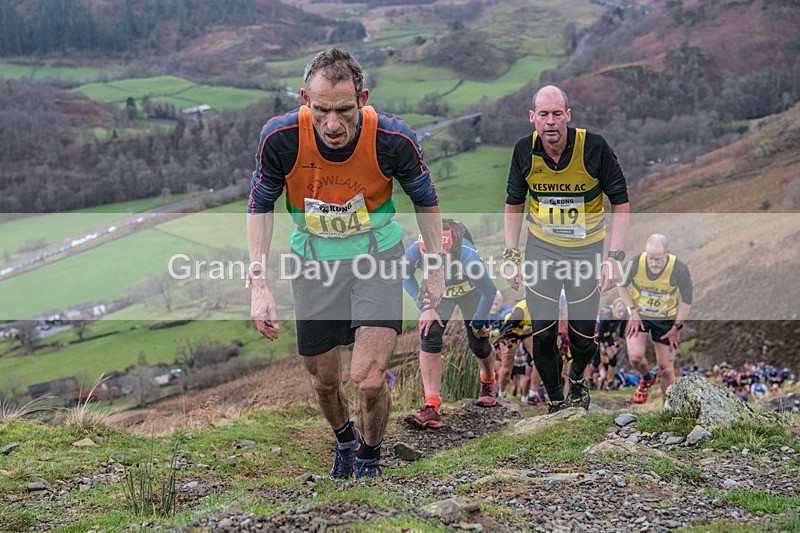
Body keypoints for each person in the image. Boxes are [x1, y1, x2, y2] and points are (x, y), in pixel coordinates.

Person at [247, 48, 445, 479]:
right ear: (305, 100)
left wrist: (434, 264)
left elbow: (426, 200)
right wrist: (258, 285)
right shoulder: (280, 138)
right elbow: (260, 204)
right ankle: (344, 438)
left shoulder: (394, 139)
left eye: (343, 110)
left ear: (363, 98)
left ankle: (370, 457)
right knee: (324, 382)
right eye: (320, 110)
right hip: (313, 264)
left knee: (369, 379)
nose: (332, 124)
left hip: (376, 260)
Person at [503, 85, 630, 413]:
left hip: (585, 253)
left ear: (568, 116)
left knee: (583, 338)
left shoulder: (594, 148)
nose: (550, 122)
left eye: (557, 114)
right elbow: (514, 204)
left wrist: (614, 258)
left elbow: (620, 201)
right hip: (541, 252)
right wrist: (511, 255)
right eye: (543, 114)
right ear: (532, 118)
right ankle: (557, 400)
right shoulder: (523, 151)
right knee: (542, 335)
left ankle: (576, 377)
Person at [402, 219, 498, 429]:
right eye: (427, 253)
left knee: (478, 343)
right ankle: (431, 406)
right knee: (429, 332)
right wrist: (425, 310)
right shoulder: (415, 251)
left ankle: (488, 381)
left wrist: (479, 320)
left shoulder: (467, 254)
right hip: (440, 294)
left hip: (471, 292)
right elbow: (404, 276)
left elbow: (489, 291)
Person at [617, 234, 693, 405]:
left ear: (668, 253)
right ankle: (646, 378)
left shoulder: (679, 269)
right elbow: (621, 286)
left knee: (666, 368)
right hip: (639, 315)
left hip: (666, 320)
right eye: (650, 258)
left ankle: (669, 409)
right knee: (635, 357)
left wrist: (676, 327)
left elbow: (687, 301)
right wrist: (633, 312)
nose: (653, 263)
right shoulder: (636, 262)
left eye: (658, 259)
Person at [588, 298, 629, 390]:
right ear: (613, 308)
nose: (621, 314)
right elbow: (599, 334)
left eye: (622, 312)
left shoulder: (625, 315)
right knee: (596, 360)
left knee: (613, 357)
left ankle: (610, 383)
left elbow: (621, 333)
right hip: (594, 333)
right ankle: (589, 379)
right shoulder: (605, 316)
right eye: (619, 312)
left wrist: (616, 344)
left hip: (607, 333)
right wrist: (606, 346)